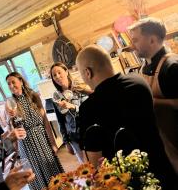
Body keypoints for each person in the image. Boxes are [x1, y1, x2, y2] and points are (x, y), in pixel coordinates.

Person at [75, 45, 177, 189]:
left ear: (87, 72)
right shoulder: (139, 82)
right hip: (163, 171)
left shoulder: (88, 108)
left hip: (129, 182)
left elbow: (94, 162)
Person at [129, 17, 178, 174]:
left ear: (152, 40)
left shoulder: (172, 67)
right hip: (164, 143)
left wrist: (153, 102)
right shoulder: (145, 66)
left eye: (135, 40)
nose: (131, 45)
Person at [5, 72, 64, 190]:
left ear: (21, 81)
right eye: (8, 84)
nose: (11, 86)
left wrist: (53, 143)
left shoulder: (33, 96)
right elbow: (12, 129)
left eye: (13, 82)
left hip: (42, 139)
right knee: (35, 174)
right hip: (26, 144)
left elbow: (45, 122)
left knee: (51, 169)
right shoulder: (10, 102)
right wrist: (10, 118)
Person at [50, 62, 89, 163]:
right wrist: (66, 142)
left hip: (88, 131)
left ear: (66, 72)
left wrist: (72, 106)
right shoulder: (56, 96)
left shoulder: (79, 87)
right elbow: (60, 121)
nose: (57, 76)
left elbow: (88, 109)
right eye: (54, 75)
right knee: (86, 166)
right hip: (74, 136)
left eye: (59, 72)